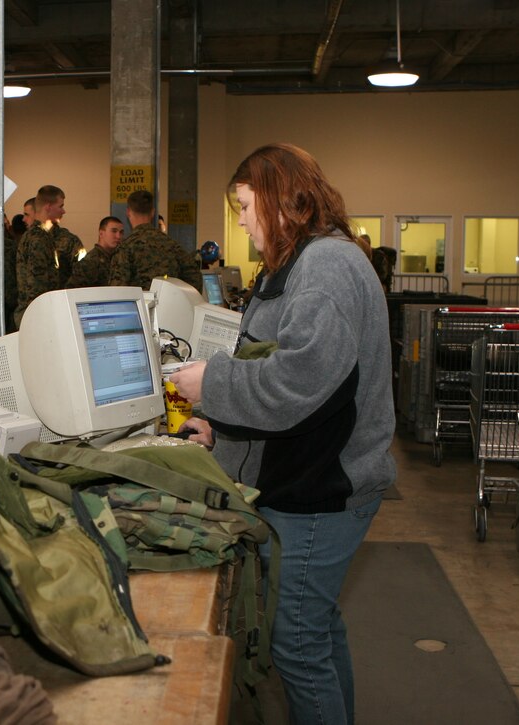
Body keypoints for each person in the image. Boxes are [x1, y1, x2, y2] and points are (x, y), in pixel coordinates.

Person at [169, 143, 395, 725]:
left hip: (321, 495)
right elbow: (273, 362)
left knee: (295, 644)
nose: (241, 220)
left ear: (276, 200)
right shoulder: (300, 263)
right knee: (315, 629)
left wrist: (210, 385)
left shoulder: (324, 269)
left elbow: (297, 386)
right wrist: (218, 426)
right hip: (308, 482)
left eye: (245, 205)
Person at [107, 189, 202, 292]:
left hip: (141, 306)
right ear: (152, 212)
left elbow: (117, 291)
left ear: (128, 212)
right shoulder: (172, 245)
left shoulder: (125, 248)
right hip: (168, 305)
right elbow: (195, 277)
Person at [14, 185, 69, 327]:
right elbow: (36, 287)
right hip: (36, 317)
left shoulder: (41, 236)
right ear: (48, 207)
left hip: (36, 314)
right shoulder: (38, 239)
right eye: (60, 206)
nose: (64, 211)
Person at [66, 216, 124, 288]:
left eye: (121, 232)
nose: (118, 236)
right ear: (101, 233)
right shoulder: (90, 262)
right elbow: (73, 290)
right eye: (114, 231)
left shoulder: (120, 259)